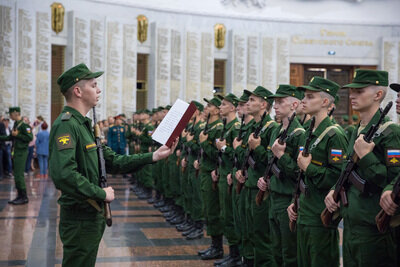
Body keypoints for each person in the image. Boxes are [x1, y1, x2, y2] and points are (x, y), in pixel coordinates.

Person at [49, 63, 177, 267]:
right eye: (93, 85)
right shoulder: (67, 125)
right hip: (80, 215)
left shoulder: (84, 126)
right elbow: (63, 174)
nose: (98, 90)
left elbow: (114, 161)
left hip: (90, 214)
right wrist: (101, 194)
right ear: (78, 91)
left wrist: (153, 156)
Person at [326, 70, 400, 267]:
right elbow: (346, 170)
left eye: (359, 91)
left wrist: (366, 157)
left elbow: (393, 182)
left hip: (373, 227)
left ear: (378, 95)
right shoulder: (356, 130)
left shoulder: (390, 133)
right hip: (351, 222)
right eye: (352, 91)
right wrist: (334, 189)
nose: (352, 96)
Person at [287, 76, 348, 267]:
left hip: (320, 213)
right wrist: (294, 201)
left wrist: (309, 167)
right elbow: (301, 176)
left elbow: (338, 178)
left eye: (310, 96)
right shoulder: (309, 131)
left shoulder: (334, 135)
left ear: (325, 102)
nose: (303, 101)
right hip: (304, 209)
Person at [257, 85, 305, 267]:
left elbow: (298, 173)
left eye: (280, 102)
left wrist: (282, 156)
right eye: (275, 102)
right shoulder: (277, 131)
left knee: (289, 252)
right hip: (274, 196)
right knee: (275, 249)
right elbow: (270, 164)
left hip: (288, 199)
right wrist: (265, 179)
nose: (275, 106)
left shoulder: (299, 134)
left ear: (294, 105)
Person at [0, 107, 33, 205]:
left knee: (19, 175)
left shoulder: (24, 125)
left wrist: (17, 135)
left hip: (22, 152)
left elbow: (29, 137)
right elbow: (10, 137)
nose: (9, 116)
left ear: (16, 113)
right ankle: (20, 195)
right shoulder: (16, 124)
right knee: (16, 175)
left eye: (10, 114)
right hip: (16, 152)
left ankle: (23, 197)